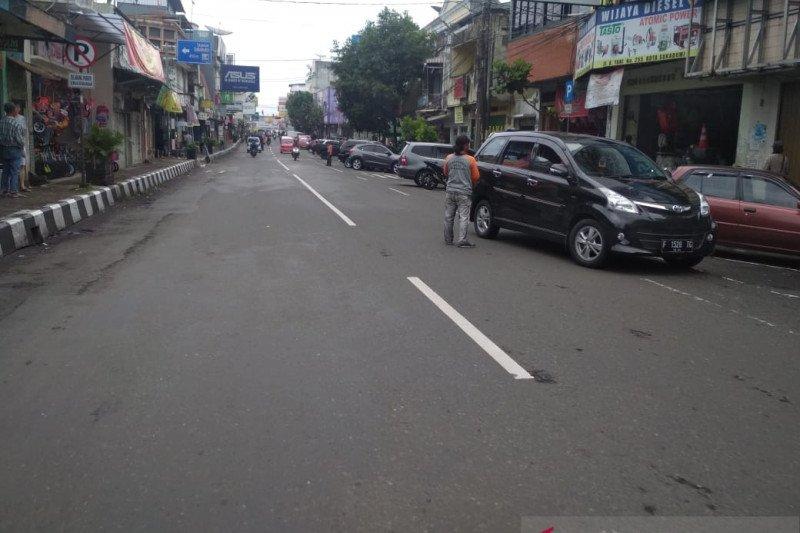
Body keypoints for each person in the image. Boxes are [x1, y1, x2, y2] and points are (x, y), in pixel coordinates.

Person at [443, 135, 479, 248]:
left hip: (450, 191)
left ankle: (448, 239)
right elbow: (476, 177)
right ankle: (462, 240)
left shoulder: (449, 158)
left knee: (449, 216)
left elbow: (445, 172)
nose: (469, 146)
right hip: (464, 192)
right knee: (464, 217)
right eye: (468, 144)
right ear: (465, 145)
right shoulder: (470, 159)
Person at [0, 102, 26, 198]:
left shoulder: (1, 122)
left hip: (3, 149)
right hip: (15, 149)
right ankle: (13, 191)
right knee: (15, 171)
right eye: (15, 109)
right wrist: (22, 147)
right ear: (12, 111)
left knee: (5, 170)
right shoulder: (16, 124)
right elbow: (19, 139)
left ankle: (3, 190)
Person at [14, 105, 29, 193]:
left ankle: (22, 185)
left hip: (21, 143)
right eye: (15, 108)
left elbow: (24, 131)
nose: (16, 110)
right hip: (14, 145)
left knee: (22, 165)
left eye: (17, 108)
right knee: (14, 166)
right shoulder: (9, 118)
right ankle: (14, 186)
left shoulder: (22, 118)